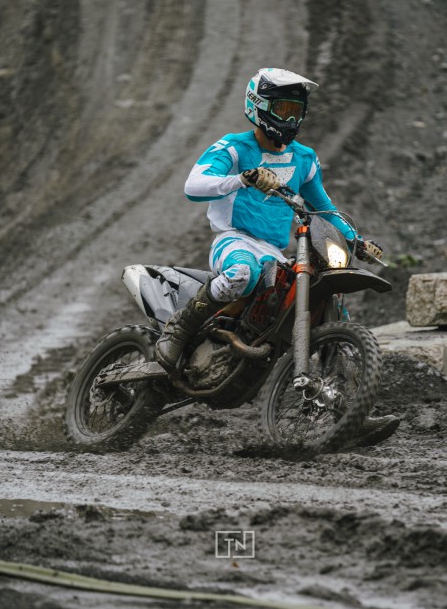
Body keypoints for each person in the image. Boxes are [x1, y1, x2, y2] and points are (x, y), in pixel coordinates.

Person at [155, 67, 398, 445]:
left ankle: (352, 410)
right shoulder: (234, 148)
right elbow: (194, 185)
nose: (291, 118)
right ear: (259, 106)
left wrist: (357, 241)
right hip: (233, 239)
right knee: (242, 274)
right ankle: (179, 329)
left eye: (296, 110)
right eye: (283, 109)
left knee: (330, 304)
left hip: (275, 251)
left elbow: (324, 208)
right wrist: (242, 178)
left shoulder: (304, 159)